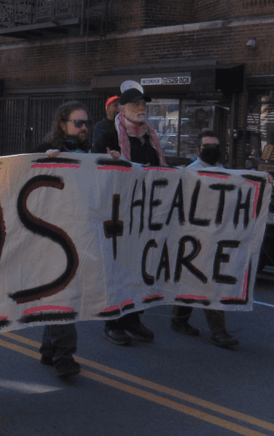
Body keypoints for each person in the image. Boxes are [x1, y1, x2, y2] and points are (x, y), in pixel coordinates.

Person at [93, 85, 163, 346]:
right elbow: (95, 169)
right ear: (122, 109)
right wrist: (109, 161)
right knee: (117, 269)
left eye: (143, 105)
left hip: (145, 214)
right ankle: (113, 322)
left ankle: (134, 318)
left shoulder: (149, 137)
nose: (141, 109)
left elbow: (158, 170)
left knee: (141, 268)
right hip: (117, 213)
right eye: (135, 105)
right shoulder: (110, 135)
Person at [31, 102, 91, 378]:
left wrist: (114, 162)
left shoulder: (91, 154)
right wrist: (43, 162)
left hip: (79, 233)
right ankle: (65, 355)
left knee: (62, 293)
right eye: (78, 123)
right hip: (51, 237)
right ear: (63, 125)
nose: (83, 128)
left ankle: (48, 348)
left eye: (86, 123)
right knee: (62, 295)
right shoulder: (43, 150)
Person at [171, 130, 239, 348]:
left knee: (198, 280)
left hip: (217, 236)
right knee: (207, 282)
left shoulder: (224, 172)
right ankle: (218, 331)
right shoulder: (190, 173)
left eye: (215, 145)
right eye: (207, 146)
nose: (212, 149)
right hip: (195, 237)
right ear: (198, 150)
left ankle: (179, 320)